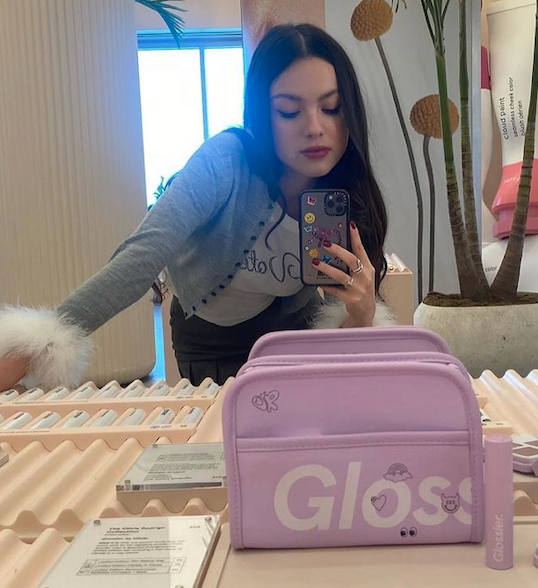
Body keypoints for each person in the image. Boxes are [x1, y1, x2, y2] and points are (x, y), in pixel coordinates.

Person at [0, 23, 393, 390]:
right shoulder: (225, 162)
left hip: (292, 335)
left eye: (331, 107)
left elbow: (339, 356)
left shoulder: (344, 193)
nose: (315, 127)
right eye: (289, 111)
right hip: (210, 344)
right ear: (262, 114)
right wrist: (38, 345)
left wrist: (360, 316)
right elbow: (141, 257)